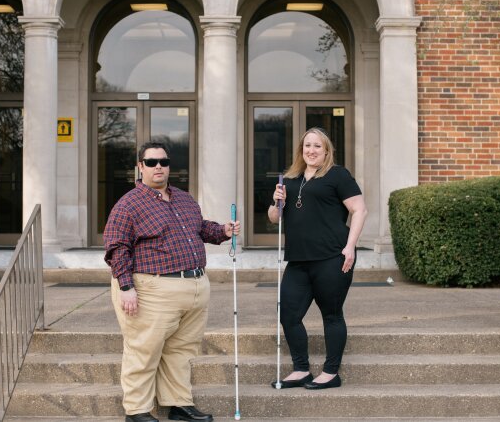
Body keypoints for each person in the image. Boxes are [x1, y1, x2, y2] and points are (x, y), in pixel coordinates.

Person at [104, 141, 240, 422]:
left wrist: (224, 230)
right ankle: (137, 410)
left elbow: (200, 228)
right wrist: (126, 288)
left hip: (194, 287)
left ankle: (178, 404)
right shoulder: (128, 204)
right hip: (152, 289)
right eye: (151, 162)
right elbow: (117, 248)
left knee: (182, 351)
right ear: (140, 167)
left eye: (163, 162)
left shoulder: (183, 198)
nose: (158, 168)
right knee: (144, 350)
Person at [268, 127, 367, 390]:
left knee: (331, 315)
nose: (311, 151)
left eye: (317, 146)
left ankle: (331, 372)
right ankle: (301, 369)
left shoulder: (338, 175)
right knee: (288, 313)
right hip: (298, 260)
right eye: (307, 146)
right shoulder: (289, 179)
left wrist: (351, 246)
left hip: (333, 257)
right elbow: (274, 218)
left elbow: (359, 210)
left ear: (326, 151)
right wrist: (275, 202)